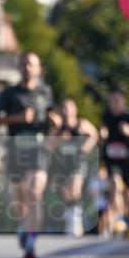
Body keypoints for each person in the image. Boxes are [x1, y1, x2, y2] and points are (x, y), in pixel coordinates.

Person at [0, 52, 57, 258]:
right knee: (19, 203)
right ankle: (24, 226)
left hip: (38, 151)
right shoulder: (9, 94)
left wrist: (53, 129)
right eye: (25, 64)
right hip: (16, 151)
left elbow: (53, 119)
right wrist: (17, 118)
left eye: (32, 64)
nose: (28, 68)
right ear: (19, 68)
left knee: (34, 193)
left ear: (39, 69)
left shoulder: (45, 92)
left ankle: (31, 241)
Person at [47, 98, 99, 237]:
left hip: (78, 161)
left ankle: (76, 222)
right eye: (64, 107)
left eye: (69, 107)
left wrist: (86, 146)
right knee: (65, 192)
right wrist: (59, 139)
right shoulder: (58, 127)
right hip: (62, 163)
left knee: (75, 187)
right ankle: (71, 217)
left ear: (75, 110)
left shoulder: (81, 124)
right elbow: (49, 145)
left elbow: (94, 134)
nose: (66, 110)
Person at [100, 89, 129, 237]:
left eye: (117, 100)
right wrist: (102, 134)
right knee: (115, 186)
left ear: (123, 101)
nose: (114, 104)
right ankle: (118, 221)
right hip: (112, 161)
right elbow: (102, 136)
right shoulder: (106, 117)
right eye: (112, 101)